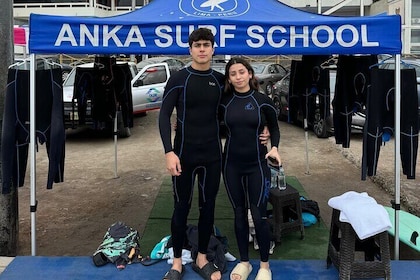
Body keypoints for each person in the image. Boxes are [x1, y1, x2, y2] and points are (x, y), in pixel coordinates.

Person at [158, 27, 224, 280]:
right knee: (180, 208)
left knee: (208, 208)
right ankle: (176, 263)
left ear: (213, 49)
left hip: (212, 155)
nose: (202, 49)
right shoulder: (178, 78)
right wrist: (168, 152)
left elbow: (237, 108)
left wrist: (263, 128)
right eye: (197, 45)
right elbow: (164, 116)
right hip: (183, 155)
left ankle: (202, 258)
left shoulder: (220, 80)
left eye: (206, 45)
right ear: (190, 49)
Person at [220, 57, 281, 280]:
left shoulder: (262, 101)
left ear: (250, 74)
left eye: (241, 72)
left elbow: (274, 128)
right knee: (238, 214)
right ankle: (244, 263)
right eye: (233, 74)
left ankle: (264, 266)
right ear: (229, 78)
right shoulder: (224, 102)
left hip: (257, 165)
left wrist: (274, 147)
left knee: (258, 215)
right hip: (231, 166)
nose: (238, 77)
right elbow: (212, 125)